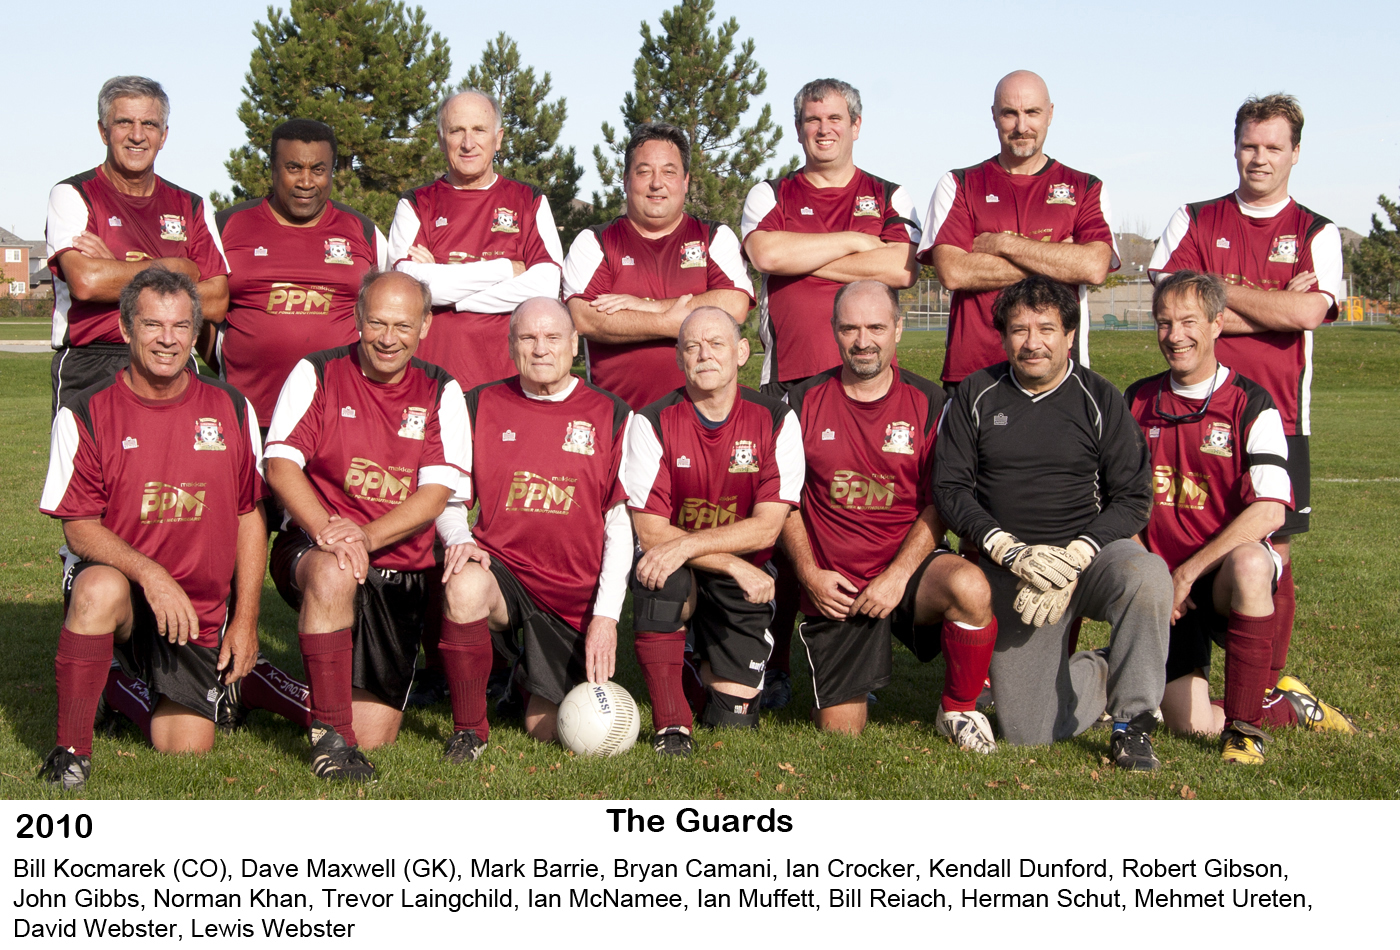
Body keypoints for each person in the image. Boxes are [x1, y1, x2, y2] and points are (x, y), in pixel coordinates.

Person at [37, 268, 307, 791]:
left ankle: (119, 684)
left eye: (182, 326)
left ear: (195, 331)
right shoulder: (84, 411)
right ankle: (70, 751)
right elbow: (79, 529)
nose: (168, 339)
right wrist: (151, 575)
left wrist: (246, 620)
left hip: (196, 610)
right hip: (126, 594)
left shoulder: (231, 406)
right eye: (153, 325)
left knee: (184, 746)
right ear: (125, 327)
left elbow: (249, 515)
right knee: (96, 588)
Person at [1148, 93, 1343, 702]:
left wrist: (1218, 294)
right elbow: (1175, 308)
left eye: (1273, 147)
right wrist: (1277, 304)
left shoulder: (1317, 231)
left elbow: (1309, 313)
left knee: (1271, 548)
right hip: (1196, 408)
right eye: (1249, 145)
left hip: (1280, 413)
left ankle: (1268, 684)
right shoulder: (1193, 218)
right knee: (1181, 528)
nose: (1260, 158)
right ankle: (1179, 664)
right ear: (1234, 148)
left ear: (1296, 153)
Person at [932, 275, 1171, 769]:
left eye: (1046, 329)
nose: (1032, 342)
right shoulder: (976, 393)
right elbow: (950, 490)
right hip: (1014, 568)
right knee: (1030, 733)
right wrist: (1009, 550)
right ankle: (1107, 666)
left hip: (1089, 557)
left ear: (1069, 335)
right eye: (1019, 329)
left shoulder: (1099, 397)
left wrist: (1079, 553)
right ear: (1003, 337)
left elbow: (1133, 497)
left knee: (1147, 575)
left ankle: (1133, 722)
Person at [1125, 270, 1356, 763]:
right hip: (1169, 587)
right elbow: (1118, 503)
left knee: (1253, 561)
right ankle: (1287, 705)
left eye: (1189, 321)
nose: (1175, 335)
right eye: (1164, 322)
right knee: (1191, 725)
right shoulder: (1137, 400)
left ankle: (1245, 730)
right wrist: (1157, 575)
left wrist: (1187, 573)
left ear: (1217, 324)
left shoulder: (1252, 402)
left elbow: (1270, 509)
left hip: (1221, 576)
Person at [741, 78, 920, 705]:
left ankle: (859, 644)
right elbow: (766, 253)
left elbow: (900, 266)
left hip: (866, 389)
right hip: (789, 385)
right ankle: (775, 664)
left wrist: (807, 258)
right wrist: (850, 243)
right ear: (798, 128)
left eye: (836, 118)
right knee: (782, 525)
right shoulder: (772, 193)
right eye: (813, 119)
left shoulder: (888, 194)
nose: (824, 129)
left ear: (857, 125)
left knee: (853, 518)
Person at [264, 270, 471, 780]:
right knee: (336, 570)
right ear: (357, 318)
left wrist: (365, 536)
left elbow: (434, 495)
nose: (387, 338)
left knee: (376, 732)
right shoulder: (317, 372)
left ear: (425, 326)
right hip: (316, 546)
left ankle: (265, 686)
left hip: (397, 566)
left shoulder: (442, 389)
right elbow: (281, 464)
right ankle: (332, 741)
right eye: (377, 322)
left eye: (402, 326)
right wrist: (327, 530)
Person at [781, 282, 997, 746]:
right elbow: (782, 502)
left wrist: (898, 576)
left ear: (898, 328)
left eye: (876, 327)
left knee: (970, 586)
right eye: (850, 328)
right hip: (837, 585)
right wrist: (810, 575)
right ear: (833, 330)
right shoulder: (800, 402)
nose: (863, 341)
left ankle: (959, 709)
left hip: (907, 569)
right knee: (841, 732)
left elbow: (941, 500)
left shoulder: (932, 403)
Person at [430, 298, 632, 756]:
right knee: (463, 583)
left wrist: (606, 617)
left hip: (572, 594)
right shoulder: (478, 404)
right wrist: (461, 538)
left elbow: (621, 527)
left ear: (574, 344)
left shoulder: (614, 414)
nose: (541, 348)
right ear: (510, 345)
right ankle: (469, 730)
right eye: (528, 337)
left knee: (547, 727)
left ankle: (518, 681)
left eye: (553, 337)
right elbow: (449, 497)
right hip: (504, 574)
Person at [624, 307, 804, 755]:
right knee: (661, 575)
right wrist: (727, 561)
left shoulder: (777, 418)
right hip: (691, 568)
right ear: (679, 358)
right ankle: (671, 725)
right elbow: (650, 531)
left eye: (716, 344)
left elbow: (767, 529)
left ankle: (689, 660)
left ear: (741, 352)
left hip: (744, 573)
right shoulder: (650, 421)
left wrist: (710, 555)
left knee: (731, 718)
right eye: (692, 346)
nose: (705, 354)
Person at [919, 70, 1117, 389]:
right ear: (994, 115)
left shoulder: (1085, 187)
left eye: (1032, 112)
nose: (1022, 126)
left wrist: (1003, 244)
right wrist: (1060, 259)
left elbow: (1093, 267)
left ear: (1050, 113)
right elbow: (954, 272)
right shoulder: (959, 184)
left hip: (1057, 373)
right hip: (974, 373)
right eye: (1010, 113)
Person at [46, 76, 229, 415]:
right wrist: (175, 267)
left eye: (149, 124)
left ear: (164, 135)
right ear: (103, 131)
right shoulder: (73, 195)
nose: (137, 135)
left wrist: (114, 268)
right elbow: (86, 282)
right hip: (94, 359)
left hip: (172, 355)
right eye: (124, 123)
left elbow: (217, 301)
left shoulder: (191, 206)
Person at [563, 123, 754, 411]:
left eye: (669, 172)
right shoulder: (595, 242)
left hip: (700, 420)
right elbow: (585, 318)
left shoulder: (714, 237)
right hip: (618, 419)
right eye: (644, 172)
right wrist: (668, 322)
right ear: (626, 180)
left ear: (685, 181)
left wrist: (644, 306)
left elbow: (735, 305)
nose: (657, 183)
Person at [214, 119, 388, 432]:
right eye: (293, 168)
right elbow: (197, 311)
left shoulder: (364, 232)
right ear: (272, 169)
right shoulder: (226, 226)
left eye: (318, 170)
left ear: (331, 172)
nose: (306, 182)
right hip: (249, 417)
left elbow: (390, 314)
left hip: (339, 419)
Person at [388, 89, 564, 392]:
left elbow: (546, 286)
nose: (468, 143)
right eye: (457, 131)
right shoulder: (416, 203)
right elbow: (408, 287)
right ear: (441, 139)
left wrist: (449, 294)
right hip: (432, 384)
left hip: (509, 385)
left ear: (498, 138)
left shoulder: (529, 200)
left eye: (479, 130)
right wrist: (505, 269)